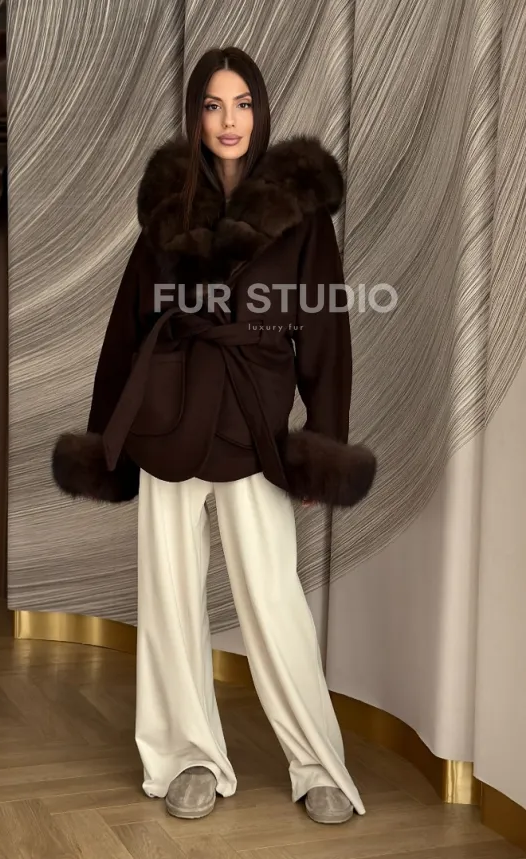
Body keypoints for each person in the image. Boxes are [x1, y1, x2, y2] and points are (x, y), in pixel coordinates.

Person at [52, 46, 376, 824]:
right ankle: (185, 756)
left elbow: (325, 337)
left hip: (252, 421)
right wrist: (107, 440)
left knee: (272, 598)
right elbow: (128, 326)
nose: (229, 121)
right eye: (213, 105)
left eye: (242, 104)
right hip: (167, 418)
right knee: (168, 597)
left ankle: (316, 762)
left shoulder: (302, 214)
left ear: (260, 111)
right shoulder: (170, 204)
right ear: (196, 115)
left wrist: (321, 445)